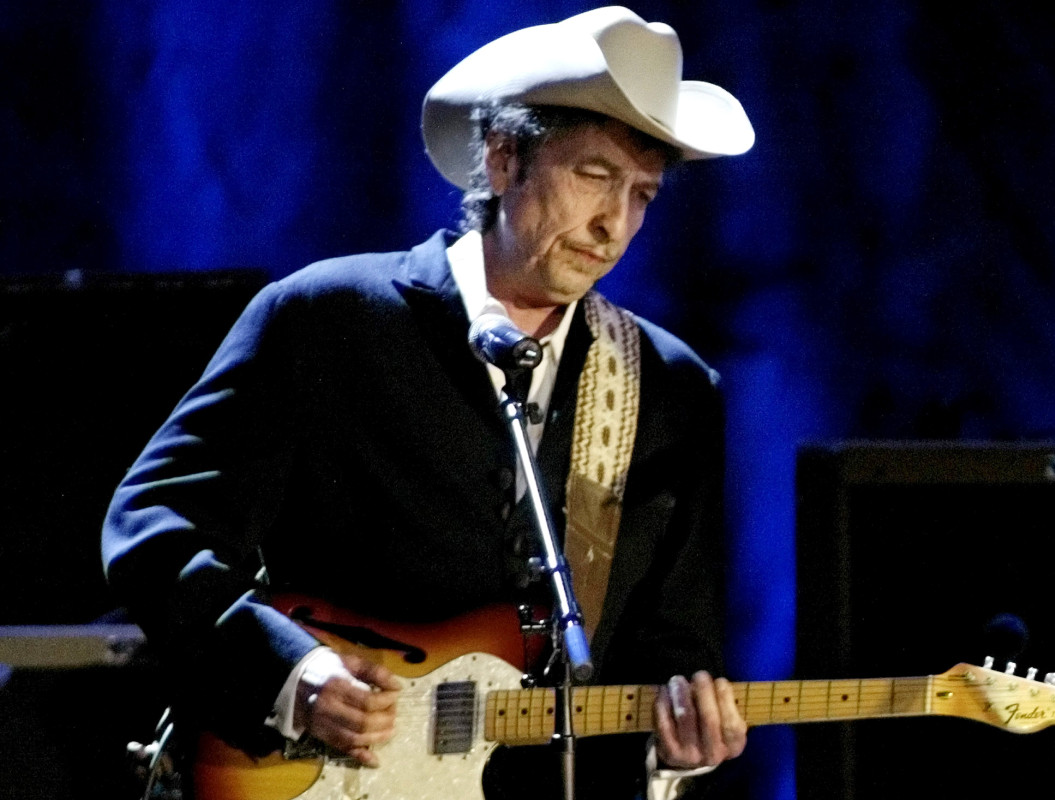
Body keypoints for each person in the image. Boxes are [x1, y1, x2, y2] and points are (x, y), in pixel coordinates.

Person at [102, 7, 755, 799]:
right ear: (505, 158)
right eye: (593, 175)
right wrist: (291, 672)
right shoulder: (328, 317)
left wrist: (677, 750)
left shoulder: (672, 389)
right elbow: (155, 527)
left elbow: (669, 652)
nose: (614, 224)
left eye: (642, 194)